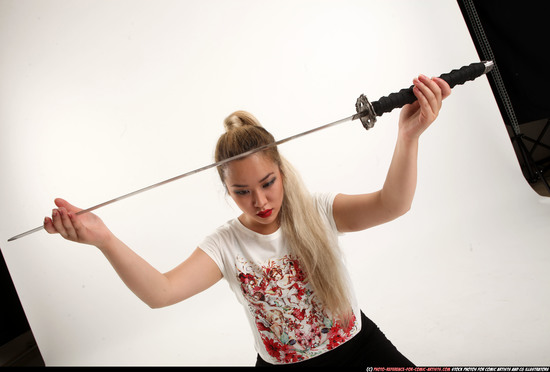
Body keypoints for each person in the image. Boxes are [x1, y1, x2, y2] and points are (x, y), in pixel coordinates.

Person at [44, 74, 451, 367]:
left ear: (282, 169)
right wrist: (104, 239)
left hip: (358, 348)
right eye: (242, 192)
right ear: (227, 191)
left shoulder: (319, 210)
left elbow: (393, 204)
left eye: (268, 182)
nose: (259, 200)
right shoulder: (226, 245)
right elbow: (161, 292)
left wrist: (408, 137)